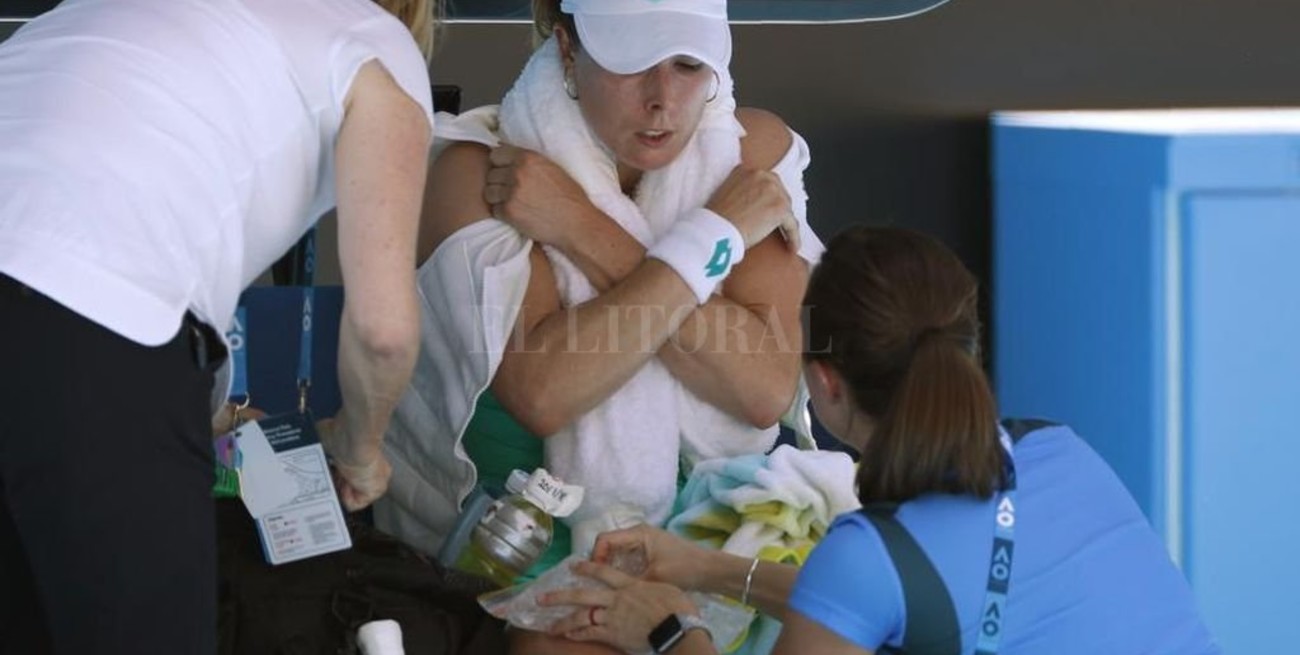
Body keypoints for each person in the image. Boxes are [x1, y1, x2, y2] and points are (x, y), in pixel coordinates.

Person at [537, 226, 1220, 654]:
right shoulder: (1060, 450)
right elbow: (891, 602)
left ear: (825, 382)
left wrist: (668, 628)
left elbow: (872, 591)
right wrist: (703, 569)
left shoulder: (871, 558)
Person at [0, 0, 437, 652]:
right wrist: (357, 446)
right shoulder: (375, 44)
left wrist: (196, 411)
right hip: (78, 329)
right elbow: (384, 330)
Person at [378, 0, 821, 577]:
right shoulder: (477, 170)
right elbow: (546, 392)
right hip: (509, 543)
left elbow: (763, 389)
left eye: (688, 64)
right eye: (630, 63)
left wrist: (578, 225)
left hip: (714, 535)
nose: (662, 98)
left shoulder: (754, 149)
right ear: (567, 48)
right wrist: (717, 244)